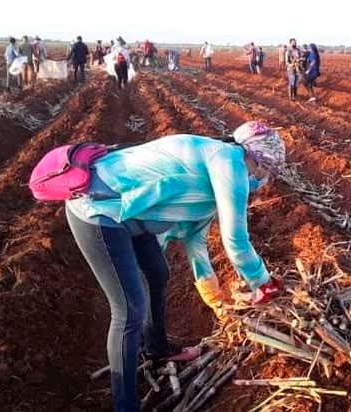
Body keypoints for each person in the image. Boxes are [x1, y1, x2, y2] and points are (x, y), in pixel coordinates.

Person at [64, 121, 284, 411]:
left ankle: (157, 348)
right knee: (129, 310)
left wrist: (215, 300)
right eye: (264, 170)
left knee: (158, 272)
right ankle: (126, 405)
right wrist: (263, 283)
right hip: (98, 212)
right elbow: (235, 240)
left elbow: (197, 246)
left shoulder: (212, 181)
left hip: (132, 218)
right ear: (255, 158)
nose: (262, 179)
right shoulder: (228, 163)